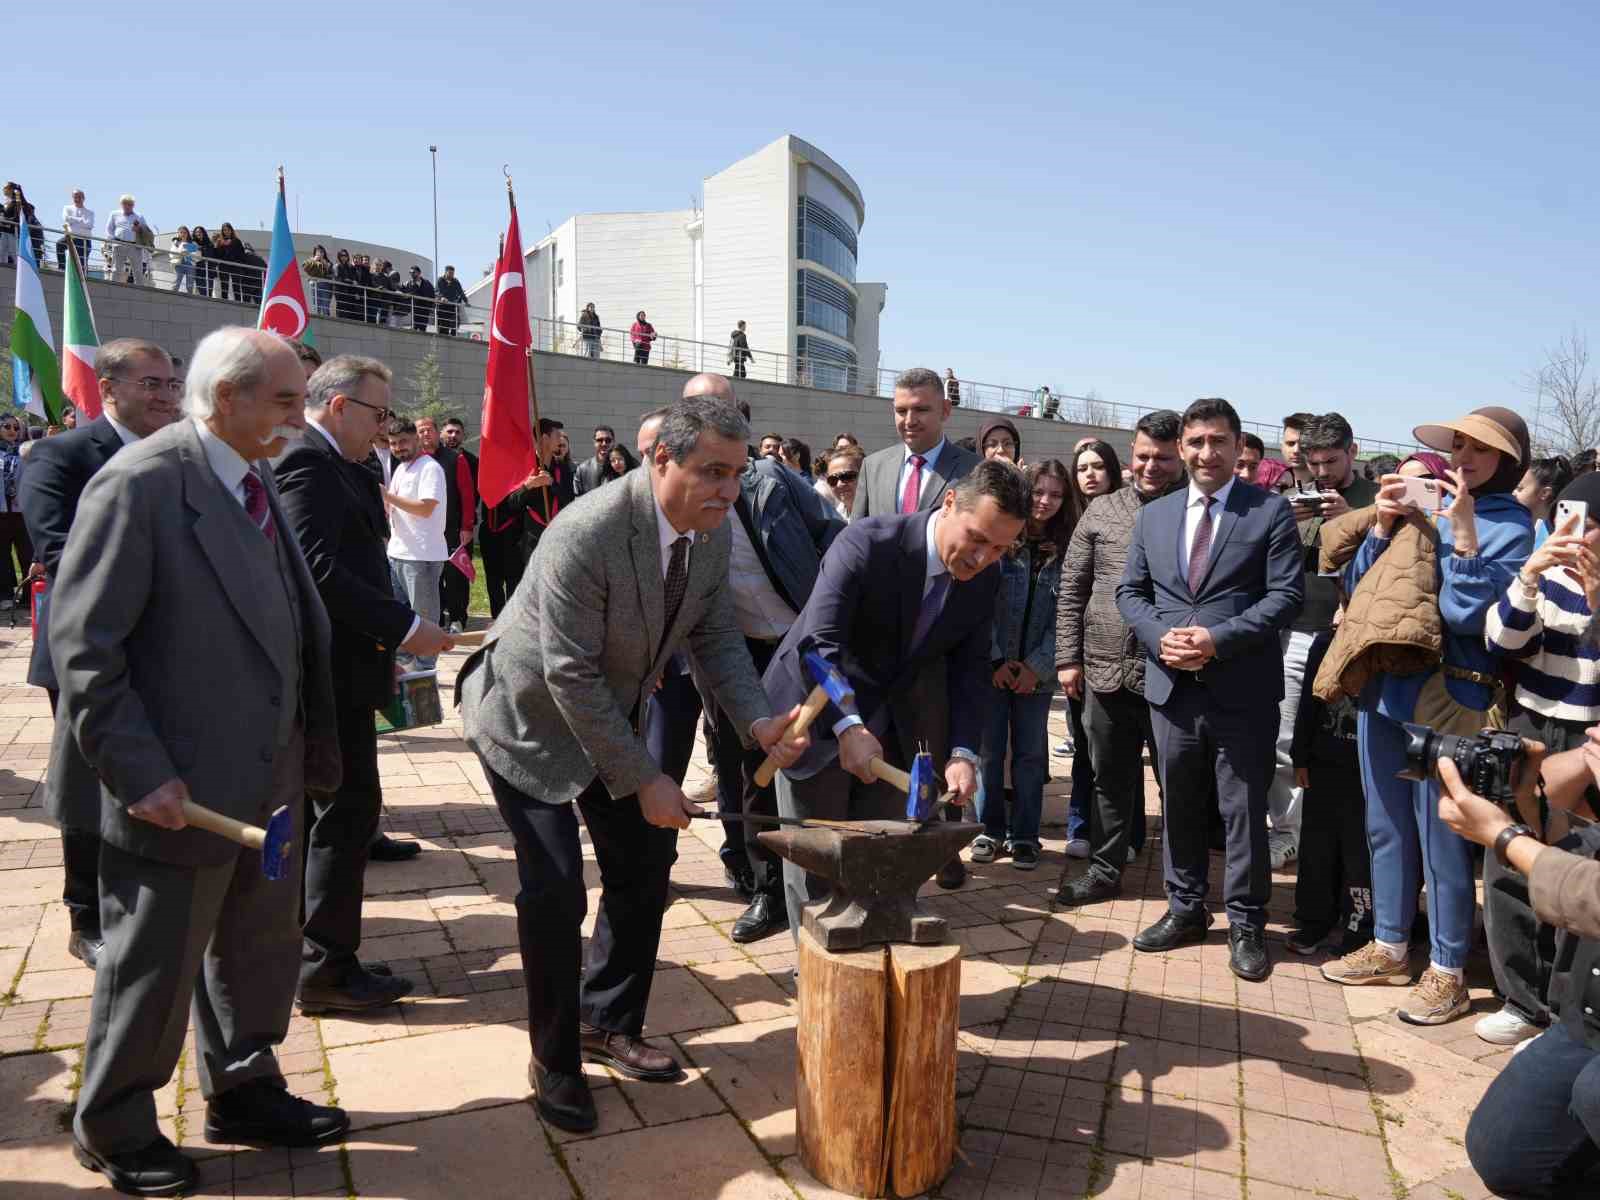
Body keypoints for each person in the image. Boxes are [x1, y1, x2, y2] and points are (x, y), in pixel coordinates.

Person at [459, 395, 809, 1134]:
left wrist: (756, 720)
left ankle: (606, 1019)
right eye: (712, 471)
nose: (727, 490)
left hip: (605, 713)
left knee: (645, 861)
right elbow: (570, 676)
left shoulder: (710, 534)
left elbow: (714, 637)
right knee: (554, 887)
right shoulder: (587, 530)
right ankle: (554, 1062)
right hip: (526, 720)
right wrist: (646, 777)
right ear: (661, 460)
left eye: (736, 474)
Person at [52, 328, 347, 1196]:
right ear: (228, 399)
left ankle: (243, 1091)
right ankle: (113, 1124)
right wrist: (139, 770)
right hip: (174, 791)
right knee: (152, 969)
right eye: (288, 401)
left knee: (253, 957)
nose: (301, 418)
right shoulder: (141, 485)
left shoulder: (249, 475)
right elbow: (84, 650)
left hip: (265, 781)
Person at [1320, 406, 1532, 1025]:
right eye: (1459, 447)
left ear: (1508, 461)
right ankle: (1390, 945)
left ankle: (1447, 969)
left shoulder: (1512, 526)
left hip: (1452, 698)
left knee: (1442, 839)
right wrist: (1384, 527)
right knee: (1385, 824)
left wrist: (1463, 535)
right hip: (1384, 687)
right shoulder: (1423, 508)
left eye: (1480, 451)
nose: (1464, 459)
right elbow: (1362, 587)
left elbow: (1472, 619)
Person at [765, 459, 1027, 934]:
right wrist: (849, 725)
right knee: (817, 870)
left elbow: (970, 669)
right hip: (815, 715)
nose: (983, 557)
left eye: (1000, 548)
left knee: (882, 865)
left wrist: (964, 752)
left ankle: (872, 985)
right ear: (949, 503)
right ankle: (818, 991)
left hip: (894, 726)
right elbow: (819, 644)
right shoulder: (867, 542)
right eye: (977, 538)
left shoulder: (986, 577)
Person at [274, 357, 453, 1019]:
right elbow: (316, 569)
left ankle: (321, 957)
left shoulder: (343, 465)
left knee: (344, 813)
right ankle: (325, 967)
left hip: (351, 666)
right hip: (325, 675)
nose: (386, 429)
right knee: (341, 816)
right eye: (378, 414)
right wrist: (404, 625)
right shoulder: (305, 464)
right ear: (340, 406)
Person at [1117, 397, 1303, 982]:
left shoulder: (1269, 512)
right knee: (1179, 804)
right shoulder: (1155, 514)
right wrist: (1160, 636)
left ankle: (1247, 922)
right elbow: (1131, 592)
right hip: (1171, 687)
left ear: (1237, 444)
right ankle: (1186, 908)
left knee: (1243, 810)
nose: (1205, 452)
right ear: (1182, 448)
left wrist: (1217, 639)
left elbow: (1285, 598)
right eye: (1195, 442)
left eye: (1217, 441)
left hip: (1241, 689)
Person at [21, 339, 182, 974]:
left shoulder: (177, 457)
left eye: (172, 384)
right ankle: (85, 914)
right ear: (108, 388)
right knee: (91, 782)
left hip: (168, 654)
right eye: (153, 384)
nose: (168, 396)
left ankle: (143, 893)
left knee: (155, 773)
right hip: (90, 653)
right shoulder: (61, 456)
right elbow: (61, 553)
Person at [694, 381, 844, 942]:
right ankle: (766, 887)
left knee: (810, 760)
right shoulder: (683, 496)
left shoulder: (774, 480)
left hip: (797, 643)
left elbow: (833, 537)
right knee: (741, 769)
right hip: (729, 650)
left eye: (724, 410)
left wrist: (833, 613)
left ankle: (822, 876)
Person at [1430, 731, 1600, 1196]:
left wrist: (1503, 838)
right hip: (1589, 1013)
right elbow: (1566, 818)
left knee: (1595, 1094)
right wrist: (1524, 793)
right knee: (1505, 1151)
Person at [1476, 472, 1600, 1045]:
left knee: (1576, 871)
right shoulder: (1543, 572)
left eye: (1590, 527)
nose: (1577, 537)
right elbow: (1500, 642)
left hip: (1591, 738)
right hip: (1530, 724)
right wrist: (1529, 575)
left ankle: (1566, 1013)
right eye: (1568, 522)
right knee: (1508, 857)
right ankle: (1521, 1000)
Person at [851, 367, 981, 886]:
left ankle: (941, 849)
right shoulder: (875, 467)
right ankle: (891, 845)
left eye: (921, 409)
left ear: (945, 411)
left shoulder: (970, 471)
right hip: (880, 638)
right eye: (901, 410)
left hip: (939, 636)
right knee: (887, 747)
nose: (909, 419)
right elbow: (854, 540)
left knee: (932, 745)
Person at [1054, 416, 1184, 907]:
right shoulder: (1102, 511)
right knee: (1109, 777)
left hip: (1173, 673)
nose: (1152, 466)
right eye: (1144, 455)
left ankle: (1181, 882)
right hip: (1104, 669)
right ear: (1132, 453)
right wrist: (1069, 658)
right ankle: (1105, 871)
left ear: (1181, 456)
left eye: (1163, 457)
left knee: (1178, 781)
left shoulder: (1191, 510)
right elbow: (1072, 590)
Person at [1268, 413, 1379, 870]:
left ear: (1353, 452)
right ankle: (1288, 832)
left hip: (1358, 636)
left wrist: (1353, 521)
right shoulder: (1292, 499)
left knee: (1352, 743)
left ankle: (1356, 837)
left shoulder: (1377, 500)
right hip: (1297, 629)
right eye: (1313, 463)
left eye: (1331, 461)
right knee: (1285, 736)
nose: (1322, 472)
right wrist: (1282, 525)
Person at [974, 460, 1073, 871]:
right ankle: (988, 829)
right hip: (994, 667)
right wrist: (996, 658)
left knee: (1031, 755)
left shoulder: (1067, 549)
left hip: (1038, 673)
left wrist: (1036, 666)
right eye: (1038, 491)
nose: (1044, 501)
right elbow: (981, 607)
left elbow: (1068, 615)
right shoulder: (1001, 542)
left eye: (1054, 494)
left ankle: (1026, 834)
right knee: (989, 752)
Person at [1285, 612, 1373, 955]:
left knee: (1358, 853)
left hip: (1365, 768)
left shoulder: (1386, 649)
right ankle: (1313, 920)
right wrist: (1300, 756)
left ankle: (1359, 924)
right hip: (1322, 760)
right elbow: (1308, 704)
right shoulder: (1324, 643)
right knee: (1316, 847)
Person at [383, 417, 449, 670]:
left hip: (422, 556)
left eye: (403, 442)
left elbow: (425, 508)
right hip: (398, 553)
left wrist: (387, 496)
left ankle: (424, 670)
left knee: (425, 619)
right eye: (393, 443)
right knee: (400, 619)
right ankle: (403, 669)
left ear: (416, 439)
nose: (399, 448)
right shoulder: (401, 468)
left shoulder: (429, 468)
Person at [416, 417, 477, 635]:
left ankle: (458, 618)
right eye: (420, 431)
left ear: (436, 433)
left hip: (453, 530)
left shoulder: (455, 459)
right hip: (425, 532)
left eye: (429, 430)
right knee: (432, 576)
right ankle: (438, 617)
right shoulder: (413, 461)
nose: (425, 434)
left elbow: (468, 496)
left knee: (455, 577)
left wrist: (467, 526)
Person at [0, 414, 33, 603]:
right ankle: (5, 594)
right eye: (7, 426)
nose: (12, 430)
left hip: (23, 513)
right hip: (1, 513)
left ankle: (29, 596)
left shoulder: (26, 452)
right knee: (2, 555)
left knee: (27, 554)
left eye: (16, 427)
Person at [1516, 454, 1575, 548]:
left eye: (1519, 488)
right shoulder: (1518, 524)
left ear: (1545, 493)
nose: (1513, 493)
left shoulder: (1554, 535)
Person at [104, 194, 151, 286]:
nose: (128, 206)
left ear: (133, 205)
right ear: (121, 204)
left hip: (135, 245)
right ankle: (113, 287)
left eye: (130, 204)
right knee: (116, 269)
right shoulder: (114, 214)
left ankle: (139, 289)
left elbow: (146, 231)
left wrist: (139, 229)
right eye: (125, 203)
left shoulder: (139, 216)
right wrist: (113, 241)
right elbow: (109, 229)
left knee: (138, 270)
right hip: (119, 244)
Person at [820, 445, 862, 521]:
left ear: (863, 475)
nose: (839, 484)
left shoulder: (879, 512)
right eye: (833, 479)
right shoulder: (837, 516)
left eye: (847, 476)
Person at [573, 425, 616, 496]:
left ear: (613, 442)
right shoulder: (582, 469)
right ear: (594, 442)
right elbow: (577, 498)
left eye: (608, 440)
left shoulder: (621, 467)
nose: (604, 443)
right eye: (600, 440)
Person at [1278, 412, 1316, 491]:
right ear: (1282, 446)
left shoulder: (1331, 488)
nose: (1296, 450)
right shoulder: (1270, 485)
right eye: (1290, 444)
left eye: (1303, 444)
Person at [58, 188, 94, 271]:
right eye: (75, 197)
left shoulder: (89, 212)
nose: (77, 199)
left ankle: (83, 279)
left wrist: (73, 220)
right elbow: (66, 218)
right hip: (71, 237)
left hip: (84, 240)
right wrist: (80, 220)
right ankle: (62, 268)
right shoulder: (67, 208)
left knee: (81, 264)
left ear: (83, 198)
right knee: (59, 244)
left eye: (79, 197)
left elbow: (89, 225)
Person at [435, 265, 467, 336]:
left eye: (452, 273)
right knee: (443, 327)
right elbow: (437, 292)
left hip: (452, 306)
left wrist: (466, 301)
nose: (451, 275)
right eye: (450, 273)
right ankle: (443, 338)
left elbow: (460, 292)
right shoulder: (440, 280)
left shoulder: (455, 281)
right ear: (446, 272)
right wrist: (441, 297)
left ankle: (453, 336)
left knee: (456, 323)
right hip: (442, 307)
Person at [303, 245, 334, 317]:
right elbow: (305, 268)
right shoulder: (311, 261)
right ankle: (317, 318)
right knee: (316, 305)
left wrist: (325, 263)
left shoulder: (328, 262)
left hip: (325, 285)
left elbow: (330, 273)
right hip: (315, 285)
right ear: (315, 253)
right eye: (318, 252)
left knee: (325, 305)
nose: (320, 253)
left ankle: (326, 319)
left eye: (322, 252)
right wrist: (314, 260)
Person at [402, 266, 435, 331]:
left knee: (422, 329)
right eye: (410, 272)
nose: (411, 274)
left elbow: (432, 295)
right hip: (415, 309)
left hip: (425, 309)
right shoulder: (408, 283)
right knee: (414, 328)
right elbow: (401, 289)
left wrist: (431, 307)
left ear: (419, 273)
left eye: (413, 272)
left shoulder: (427, 283)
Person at [168, 226, 199, 294]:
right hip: (179, 263)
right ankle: (172, 297)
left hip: (190, 264)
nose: (183, 234)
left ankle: (190, 298)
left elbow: (198, 255)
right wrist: (180, 252)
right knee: (176, 282)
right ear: (178, 234)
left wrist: (189, 253)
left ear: (187, 233)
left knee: (190, 284)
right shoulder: (176, 243)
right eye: (181, 232)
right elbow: (171, 254)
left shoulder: (193, 243)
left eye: (185, 232)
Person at [191, 225, 217, 299]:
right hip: (198, 270)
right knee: (202, 291)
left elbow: (211, 255)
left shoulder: (209, 243)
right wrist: (175, 239)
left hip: (209, 270)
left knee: (209, 291)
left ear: (203, 233)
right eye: (196, 232)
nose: (198, 233)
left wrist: (202, 248)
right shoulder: (193, 243)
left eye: (200, 232)